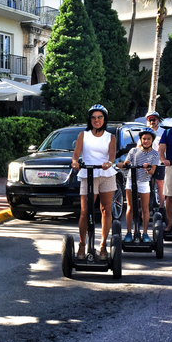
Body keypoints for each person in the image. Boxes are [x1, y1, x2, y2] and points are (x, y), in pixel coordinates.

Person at [71, 104, 117, 260]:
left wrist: (108, 164)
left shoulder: (110, 137)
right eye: (93, 117)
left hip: (106, 174)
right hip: (87, 174)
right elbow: (76, 155)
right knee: (85, 211)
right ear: (90, 120)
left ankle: (103, 245)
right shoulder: (83, 135)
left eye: (100, 117)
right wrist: (75, 162)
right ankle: (82, 244)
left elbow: (112, 157)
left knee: (106, 210)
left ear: (104, 119)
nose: (96, 120)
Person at [119, 127, 160, 242]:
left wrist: (148, 168)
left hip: (144, 181)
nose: (146, 141)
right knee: (130, 207)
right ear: (140, 140)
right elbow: (127, 163)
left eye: (148, 139)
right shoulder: (134, 151)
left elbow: (152, 171)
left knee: (145, 208)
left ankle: (145, 233)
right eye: (144, 139)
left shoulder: (155, 154)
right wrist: (123, 165)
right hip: (131, 180)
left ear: (152, 140)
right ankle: (128, 233)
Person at [144, 110, 165, 208]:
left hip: (159, 162)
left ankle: (161, 206)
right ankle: (147, 206)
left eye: (154, 119)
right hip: (146, 162)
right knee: (147, 185)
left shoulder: (163, 132)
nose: (152, 122)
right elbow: (138, 146)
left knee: (160, 184)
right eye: (150, 120)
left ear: (157, 120)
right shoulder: (144, 132)